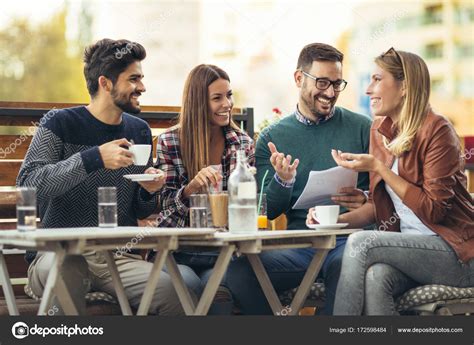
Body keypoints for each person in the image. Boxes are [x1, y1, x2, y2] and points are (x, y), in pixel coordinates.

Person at [17, 38, 201, 315]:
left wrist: (150, 190)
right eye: (134, 79)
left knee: (174, 293)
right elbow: (29, 184)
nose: (142, 87)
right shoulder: (59, 123)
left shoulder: (138, 130)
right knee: (70, 269)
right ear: (105, 83)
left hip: (117, 258)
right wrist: (92, 159)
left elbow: (140, 208)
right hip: (58, 254)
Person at [308, 48, 474, 315]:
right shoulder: (380, 130)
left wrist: (380, 169)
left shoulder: (437, 131)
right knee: (376, 278)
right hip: (410, 251)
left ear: (405, 86)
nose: (368, 89)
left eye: (376, 79)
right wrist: (333, 221)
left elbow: (434, 210)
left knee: (360, 243)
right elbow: (379, 206)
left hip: (456, 254)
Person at [222, 43, 373, 315]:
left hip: (348, 241)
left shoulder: (363, 128)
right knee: (238, 270)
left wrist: (365, 199)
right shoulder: (272, 138)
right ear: (299, 79)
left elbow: (385, 195)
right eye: (323, 82)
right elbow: (266, 210)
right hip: (300, 246)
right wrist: (283, 181)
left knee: (347, 266)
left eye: (337, 84)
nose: (330, 93)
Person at [153, 64, 254, 313]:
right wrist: (190, 189)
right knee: (189, 285)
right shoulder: (170, 141)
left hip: (222, 252)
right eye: (217, 98)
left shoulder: (241, 144)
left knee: (219, 292)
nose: (227, 104)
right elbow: (162, 205)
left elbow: (247, 207)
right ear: (198, 102)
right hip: (177, 251)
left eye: (229, 95)